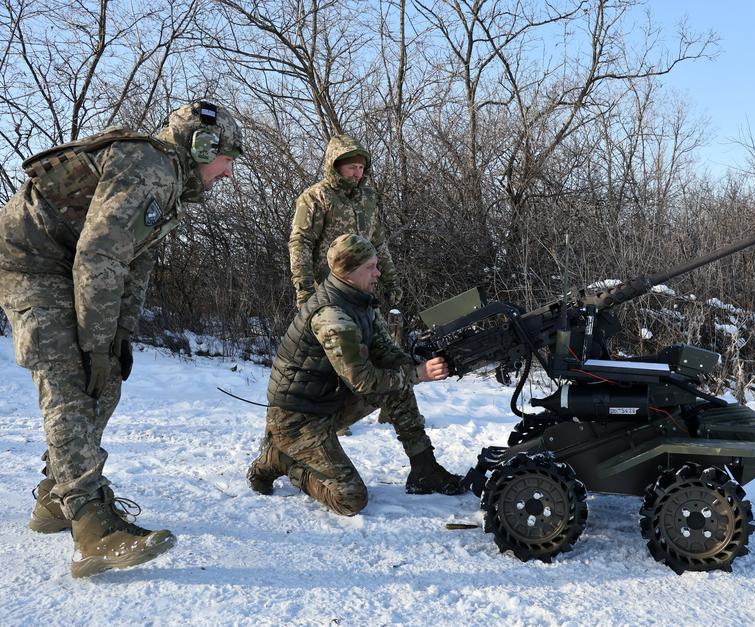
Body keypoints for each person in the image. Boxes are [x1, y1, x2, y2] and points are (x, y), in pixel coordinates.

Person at [0, 100, 242, 577]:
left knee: (106, 374)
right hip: (30, 262)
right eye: (228, 157)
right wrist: (93, 344)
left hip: (67, 263)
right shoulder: (150, 164)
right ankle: (91, 529)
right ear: (202, 146)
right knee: (71, 378)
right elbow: (99, 256)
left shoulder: (167, 184)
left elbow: (135, 265)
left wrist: (117, 342)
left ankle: (56, 496)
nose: (230, 172)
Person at [246, 234, 465, 516]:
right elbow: (362, 380)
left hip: (327, 403)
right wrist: (417, 373)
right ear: (349, 272)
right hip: (297, 419)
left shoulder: (360, 301)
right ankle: (283, 460)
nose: (378, 272)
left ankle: (424, 468)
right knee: (350, 499)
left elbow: (387, 355)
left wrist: (423, 362)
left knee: (396, 380)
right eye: (371, 267)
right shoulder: (332, 317)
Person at [289, 134, 402, 309]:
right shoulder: (316, 197)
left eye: (361, 167)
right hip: (329, 292)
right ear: (336, 167)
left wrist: (391, 281)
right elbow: (301, 243)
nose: (357, 173)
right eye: (351, 167)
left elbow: (378, 243)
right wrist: (304, 290)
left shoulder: (367, 199)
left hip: (362, 291)